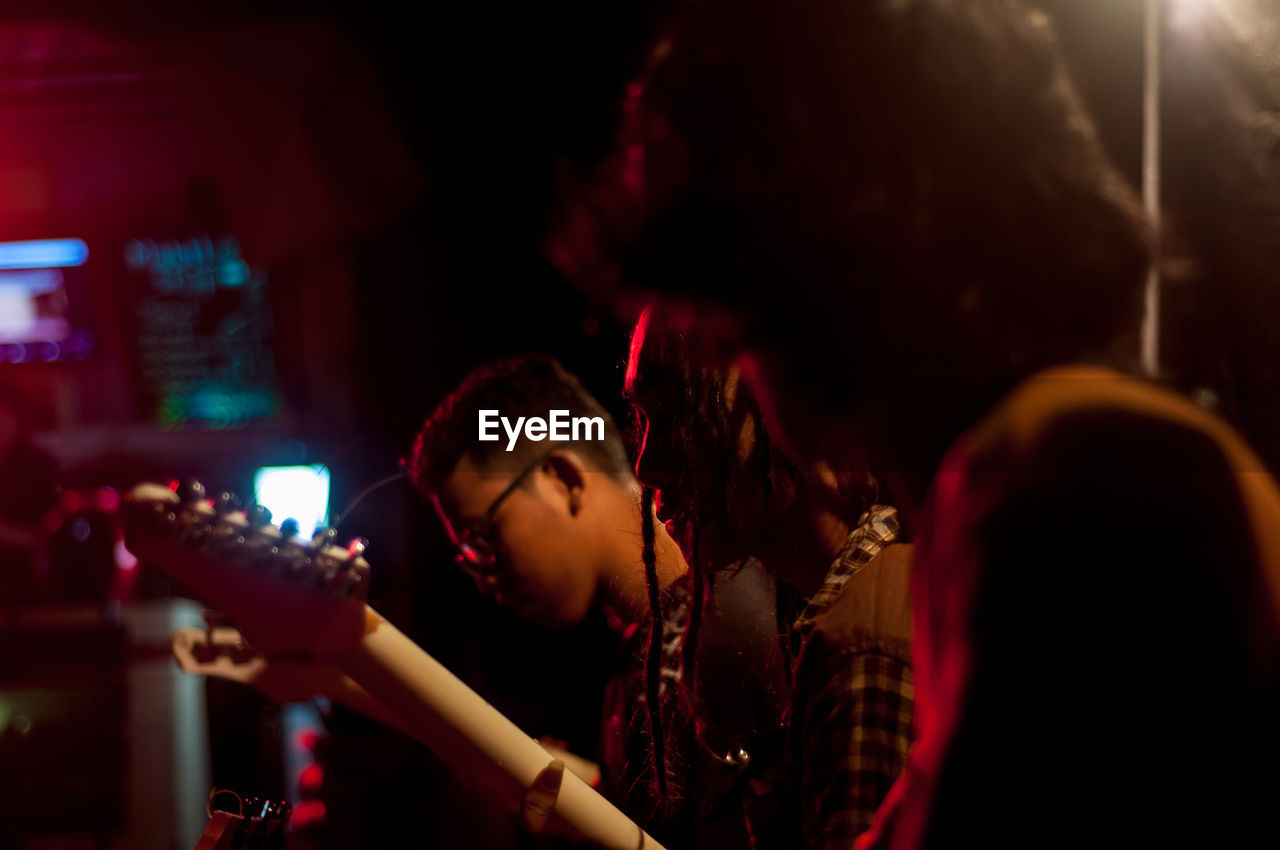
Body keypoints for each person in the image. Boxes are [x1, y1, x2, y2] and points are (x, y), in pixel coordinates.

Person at [550, 1, 1280, 846]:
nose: (748, 380)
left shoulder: (1055, 481)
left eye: (738, 328)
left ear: (826, 273)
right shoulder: (1057, 456)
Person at [625, 303, 914, 847]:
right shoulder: (847, 613)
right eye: (642, 422)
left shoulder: (865, 645)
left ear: (776, 394)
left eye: (674, 414)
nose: (644, 465)